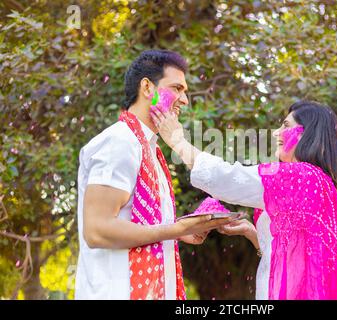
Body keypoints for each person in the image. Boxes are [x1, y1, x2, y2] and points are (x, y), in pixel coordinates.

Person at [149, 99, 337, 300]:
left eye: (286, 125)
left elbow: (228, 178)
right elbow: (296, 259)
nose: (276, 132)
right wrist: (252, 233)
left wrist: (178, 142)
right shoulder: (324, 186)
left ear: (307, 135)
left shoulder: (301, 178)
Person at [75, 50, 232, 300]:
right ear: (148, 87)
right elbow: (97, 230)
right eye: (177, 88)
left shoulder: (150, 150)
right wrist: (175, 229)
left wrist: (183, 230)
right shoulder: (119, 142)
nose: (185, 100)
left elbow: (138, 224)